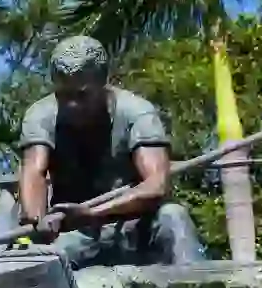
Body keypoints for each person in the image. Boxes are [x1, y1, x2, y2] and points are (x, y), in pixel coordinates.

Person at [17, 35, 205, 267]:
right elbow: (34, 171)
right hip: (78, 234)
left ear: (103, 83)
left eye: (82, 95)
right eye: (63, 96)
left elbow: (157, 185)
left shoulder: (137, 113)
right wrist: (38, 220)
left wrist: (92, 212)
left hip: (134, 227)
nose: (71, 105)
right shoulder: (40, 116)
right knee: (42, 260)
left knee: (174, 217)